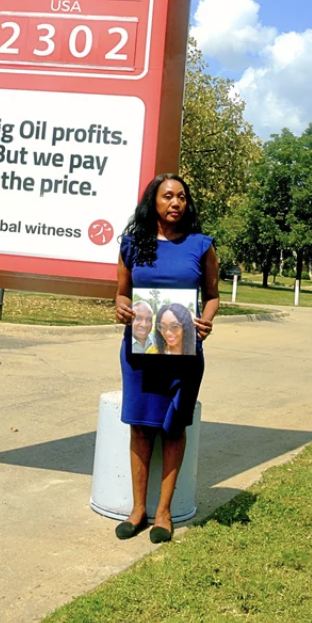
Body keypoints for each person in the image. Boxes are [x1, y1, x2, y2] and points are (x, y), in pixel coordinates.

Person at [114, 173, 219, 544]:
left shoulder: (201, 246)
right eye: (168, 196)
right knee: (141, 427)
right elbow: (121, 294)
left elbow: (212, 295)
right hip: (141, 354)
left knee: (175, 427)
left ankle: (163, 513)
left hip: (184, 352)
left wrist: (207, 320)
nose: (176, 203)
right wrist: (122, 309)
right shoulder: (132, 245)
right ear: (153, 202)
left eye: (182, 197)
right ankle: (138, 510)